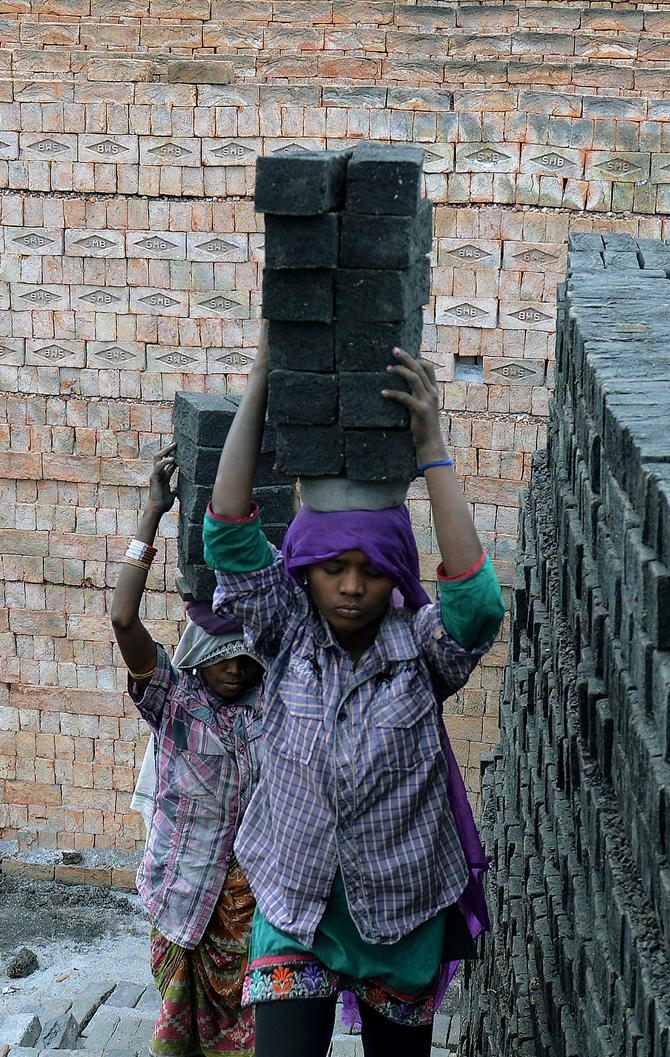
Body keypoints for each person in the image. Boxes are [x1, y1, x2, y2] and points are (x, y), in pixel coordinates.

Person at [205, 341, 502, 1057]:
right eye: (332, 567)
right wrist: (262, 384)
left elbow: (477, 606)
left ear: (395, 573)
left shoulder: (422, 653)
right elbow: (230, 535)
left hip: (400, 916)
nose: (349, 586)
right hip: (295, 909)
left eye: (370, 570)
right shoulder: (285, 633)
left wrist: (433, 450)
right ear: (305, 572)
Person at [111, 442, 265, 1057]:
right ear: (199, 654)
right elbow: (124, 621)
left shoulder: (271, 708)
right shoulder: (173, 702)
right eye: (220, 652)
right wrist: (151, 518)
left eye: (245, 653)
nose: (233, 666)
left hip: (250, 913)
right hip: (180, 903)